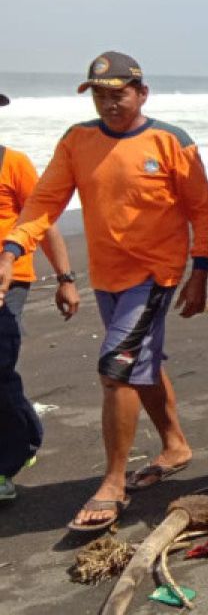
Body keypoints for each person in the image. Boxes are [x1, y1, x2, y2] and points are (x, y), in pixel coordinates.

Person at [0, 51, 208, 530]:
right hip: (107, 276)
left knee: (116, 368)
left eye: (117, 93)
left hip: (156, 274)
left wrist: (199, 270)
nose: (108, 103)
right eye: (99, 94)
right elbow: (43, 203)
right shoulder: (77, 140)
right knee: (140, 365)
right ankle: (175, 443)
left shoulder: (170, 141)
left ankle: (113, 484)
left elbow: (202, 209)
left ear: (142, 92)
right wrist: (13, 250)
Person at [0, 93, 79, 501]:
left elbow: (43, 221)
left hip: (10, 278)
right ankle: (27, 432)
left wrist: (65, 277)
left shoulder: (13, 163)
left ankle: (8, 462)